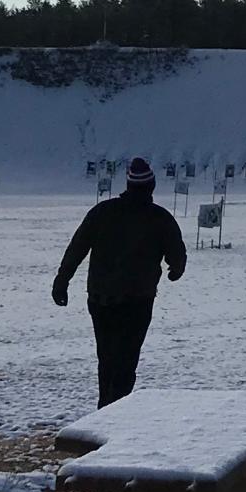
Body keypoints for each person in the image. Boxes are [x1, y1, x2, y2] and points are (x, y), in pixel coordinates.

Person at [53, 156, 186, 407]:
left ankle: (105, 408)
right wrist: (174, 270)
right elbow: (177, 257)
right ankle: (116, 414)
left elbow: (77, 248)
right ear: (151, 186)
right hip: (138, 301)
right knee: (127, 360)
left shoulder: (102, 212)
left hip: (101, 299)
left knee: (107, 358)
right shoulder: (160, 218)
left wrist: (62, 280)